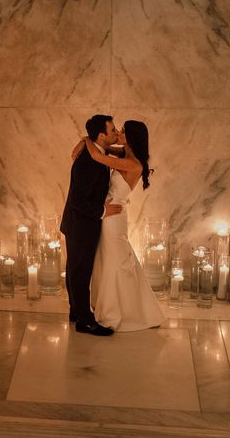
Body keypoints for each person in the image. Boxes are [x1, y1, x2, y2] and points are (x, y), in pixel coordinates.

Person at [76, 120, 165, 331]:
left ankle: (115, 313)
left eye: (123, 132)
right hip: (107, 215)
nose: (119, 134)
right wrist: (85, 141)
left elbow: (98, 155)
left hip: (113, 220)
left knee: (115, 265)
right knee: (109, 262)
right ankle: (107, 306)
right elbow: (103, 147)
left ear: (132, 137)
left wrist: (87, 139)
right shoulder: (124, 154)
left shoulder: (134, 164)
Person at [60, 115, 122, 337]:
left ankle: (76, 311)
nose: (116, 133)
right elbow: (79, 201)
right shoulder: (87, 161)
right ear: (102, 136)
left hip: (82, 223)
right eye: (113, 130)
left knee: (77, 269)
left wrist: (85, 139)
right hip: (80, 224)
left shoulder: (98, 151)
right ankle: (84, 320)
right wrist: (104, 211)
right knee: (79, 271)